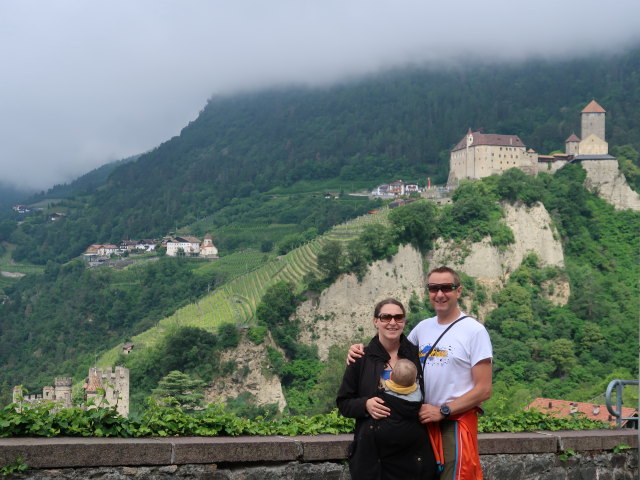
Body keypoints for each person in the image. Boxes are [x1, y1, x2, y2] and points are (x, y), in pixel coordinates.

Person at [348, 267, 493, 480]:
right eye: (434, 288)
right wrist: (359, 351)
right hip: (422, 422)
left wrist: (443, 410)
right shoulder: (422, 328)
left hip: (453, 422)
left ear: (458, 291)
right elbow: (391, 346)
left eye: (446, 288)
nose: (440, 294)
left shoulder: (474, 331)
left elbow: (484, 390)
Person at [336, 298, 437, 480]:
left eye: (398, 317)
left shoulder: (417, 355)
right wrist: (365, 405)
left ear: (404, 321)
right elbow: (344, 403)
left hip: (412, 456)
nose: (392, 322)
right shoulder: (361, 358)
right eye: (386, 317)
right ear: (376, 321)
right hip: (374, 460)